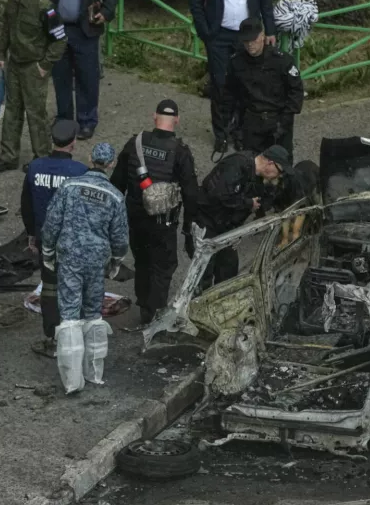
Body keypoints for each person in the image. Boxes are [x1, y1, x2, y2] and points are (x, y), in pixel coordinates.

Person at [110, 99, 198, 325]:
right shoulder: (180, 152)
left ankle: (144, 307)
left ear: (154, 116)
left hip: (135, 218)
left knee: (142, 261)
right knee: (163, 266)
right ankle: (155, 315)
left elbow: (116, 184)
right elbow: (191, 194)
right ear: (177, 120)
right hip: (163, 223)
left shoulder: (135, 143)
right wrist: (188, 229)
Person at [189, 0, 276, 154]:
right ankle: (221, 135)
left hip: (246, 34)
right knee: (220, 85)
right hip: (218, 35)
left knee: (246, 84)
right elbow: (196, 1)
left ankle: (240, 133)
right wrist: (205, 32)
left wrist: (270, 30)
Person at [34, 0, 116, 140]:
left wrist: (107, 11)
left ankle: (87, 120)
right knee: (60, 75)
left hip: (85, 25)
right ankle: (64, 118)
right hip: (57, 26)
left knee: (87, 76)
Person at [0, 0, 67, 173]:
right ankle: (9, 156)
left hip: (33, 67)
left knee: (36, 114)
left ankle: (42, 158)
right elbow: (7, 26)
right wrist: (1, 52)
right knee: (12, 110)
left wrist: (45, 65)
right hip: (15, 63)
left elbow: (60, 40)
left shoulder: (45, 7)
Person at [41, 142, 129, 324]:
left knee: (69, 312)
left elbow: (52, 222)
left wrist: (48, 252)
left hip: (69, 258)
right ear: (111, 164)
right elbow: (120, 237)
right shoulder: (115, 197)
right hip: (97, 261)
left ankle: (70, 342)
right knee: (93, 312)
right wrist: (116, 262)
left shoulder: (69, 186)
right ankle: (94, 342)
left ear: (90, 158)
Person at [22, 119, 88, 355]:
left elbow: (26, 204)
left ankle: (52, 336)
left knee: (49, 288)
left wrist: (32, 234)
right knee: (74, 287)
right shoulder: (80, 172)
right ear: (73, 142)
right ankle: (74, 335)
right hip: (72, 242)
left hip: (46, 240)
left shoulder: (35, 167)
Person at [192, 145, 288, 287]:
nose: (278, 176)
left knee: (228, 271)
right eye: (279, 172)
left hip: (228, 228)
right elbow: (220, 194)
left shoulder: (258, 178)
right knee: (204, 272)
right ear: (270, 163)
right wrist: (248, 203)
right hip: (209, 222)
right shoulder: (236, 165)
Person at [223, 18, 303, 155]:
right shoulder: (236, 62)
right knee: (250, 163)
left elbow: (296, 91)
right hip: (251, 121)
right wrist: (230, 123)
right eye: (246, 41)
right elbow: (230, 94)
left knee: (281, 164)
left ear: (262, 36)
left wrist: (286, 119)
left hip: (277, 119)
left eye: (253, 40)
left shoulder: (281, 61)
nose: (250, 45)